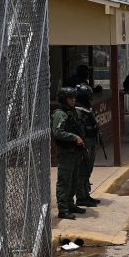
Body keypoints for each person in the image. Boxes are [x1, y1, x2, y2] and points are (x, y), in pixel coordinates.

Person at [52, 86, 88, 220]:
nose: (73, 100)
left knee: (74, 179)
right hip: (66, 152)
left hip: (75, 151)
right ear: (63, 99)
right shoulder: (60, 114)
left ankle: (70, 204)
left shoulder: (72, 112)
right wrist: (74, 137)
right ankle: (63, 208)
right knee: (64, 180)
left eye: (74, 98)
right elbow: (58, 132)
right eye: (70, 98)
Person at [73, 84, 102, 207]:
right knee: (83, 170)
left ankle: (86, 194)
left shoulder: (86, 108)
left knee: (88, 170)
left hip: (91, 140)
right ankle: (81, 197)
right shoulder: (78, 110)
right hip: (85, 142)